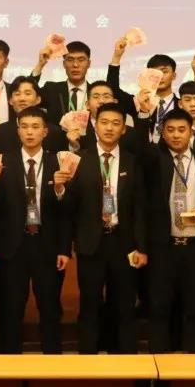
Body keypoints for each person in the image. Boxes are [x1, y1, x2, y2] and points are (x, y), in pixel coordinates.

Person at [0, 106, 73, 353]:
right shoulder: (3, 163)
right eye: (24, 127)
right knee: (11, 306)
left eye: (35, 127)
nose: (30, 132)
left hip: (47, 245)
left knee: (50, 306)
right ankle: (11, 358)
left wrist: (64, 248)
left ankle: (52, 358)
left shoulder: (59, 162)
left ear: (45, 132)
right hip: (13, 245)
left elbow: (67, 212)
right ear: (18, 131)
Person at [67, 102, 148, 354]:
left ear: (124, 129)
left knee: (124, 303)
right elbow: (71, 206)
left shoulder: (133, 162)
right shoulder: (79, 160)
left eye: (115, 123)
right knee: (90, 302)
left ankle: (123, 358)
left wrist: (141, 246)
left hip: (123, 243)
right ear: (95, 125)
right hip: (91, 242)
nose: (109, 128)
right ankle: (89, 358)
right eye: (104, 122)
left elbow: (139, 208)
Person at [142, 107, 195, 353]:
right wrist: (144, 114)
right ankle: (159, 359)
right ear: (163, 133)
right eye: (170, 130)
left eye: (181, 130)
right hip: (164, 246)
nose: (176, 135)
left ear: (191, 132)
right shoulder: (154, 160)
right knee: (160, 305)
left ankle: (194, 360)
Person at [30, 38, 135, 122]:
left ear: (89, 64)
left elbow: (113, 90)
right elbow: (27, 95)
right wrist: (40, 64)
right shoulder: (51, 89)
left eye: (81, 60)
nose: (75, 65)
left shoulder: (96, 93)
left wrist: (116, 57)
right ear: (64, 64)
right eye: (70, 60)